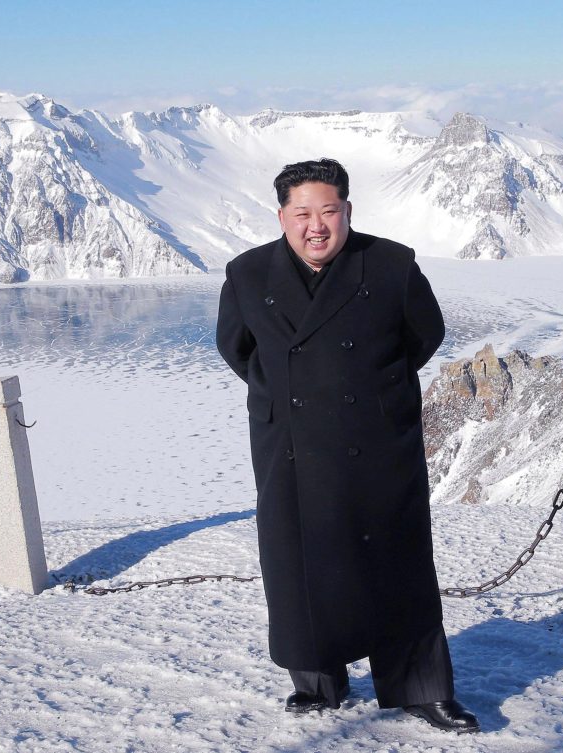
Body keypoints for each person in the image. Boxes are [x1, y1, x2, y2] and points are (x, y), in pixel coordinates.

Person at [215, 158, 479, 734]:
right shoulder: (247, 275)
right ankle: (317, 681)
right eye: (302, 212)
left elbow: (423, 335)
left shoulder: (391, 266)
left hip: (378, 444)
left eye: (328, 211)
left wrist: (369, 388)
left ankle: (421, 688)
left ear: (348, 212)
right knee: (300, 564)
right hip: (290, 447)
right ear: (282, 215)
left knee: (397, 563)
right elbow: (237, 349)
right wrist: (287, 396)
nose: (317, 225)